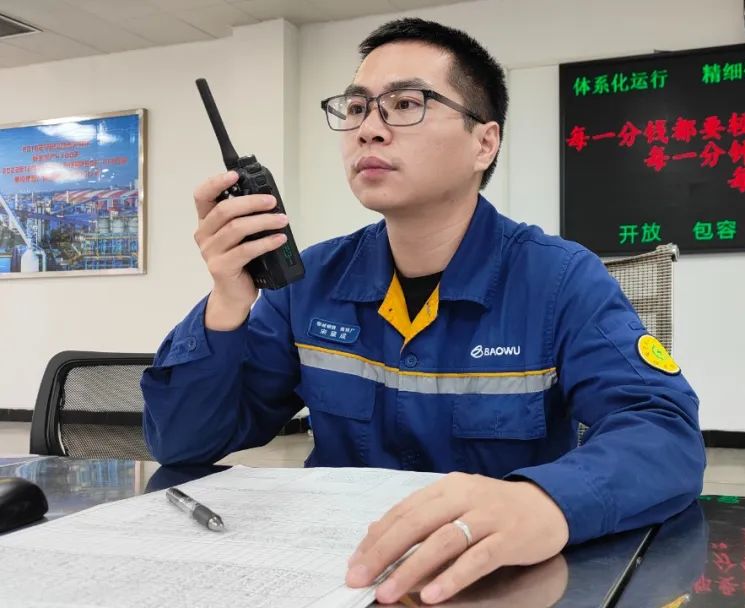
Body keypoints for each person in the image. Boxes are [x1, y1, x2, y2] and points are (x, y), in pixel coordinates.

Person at [142, 17, 705, 605]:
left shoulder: (560, 280)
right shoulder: (309, 283)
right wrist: (228, 301)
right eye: (356, 108)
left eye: (406, 104)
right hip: (338, 575)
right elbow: (182, 444)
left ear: (484, 143)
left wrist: (547, 501)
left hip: (496, 583)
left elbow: (663, 433)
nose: (368, 130)